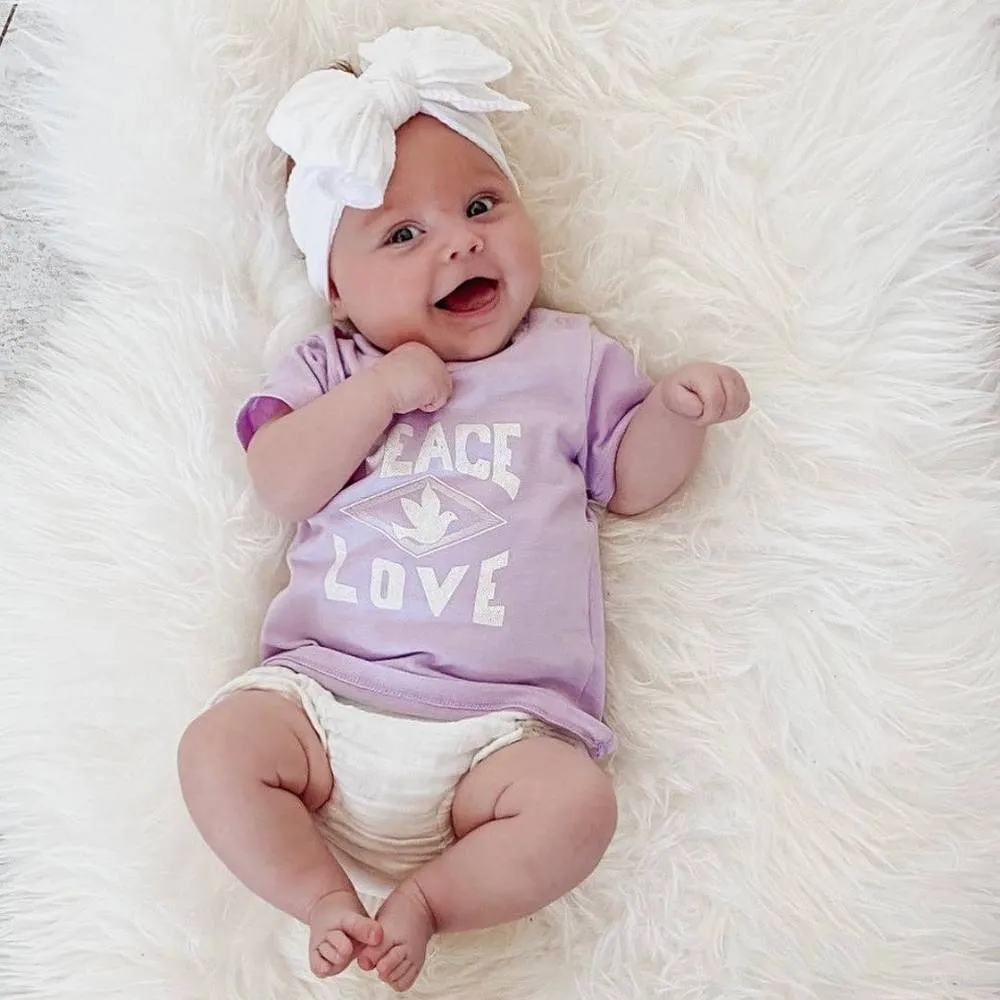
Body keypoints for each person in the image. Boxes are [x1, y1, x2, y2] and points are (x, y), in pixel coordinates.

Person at [177, 25, 750, 993]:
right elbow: (279, 480)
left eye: (482, 204)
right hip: (320, 701)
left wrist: (674, 413)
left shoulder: (572, 359)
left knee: (579, 809)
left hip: (503, 733)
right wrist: (375, 395)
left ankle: (431, 901)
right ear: (339, 294)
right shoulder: (332, 367)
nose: (460, 239)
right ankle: (322, 898)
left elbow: (635, 485)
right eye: (402, 234)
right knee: (215, 750)